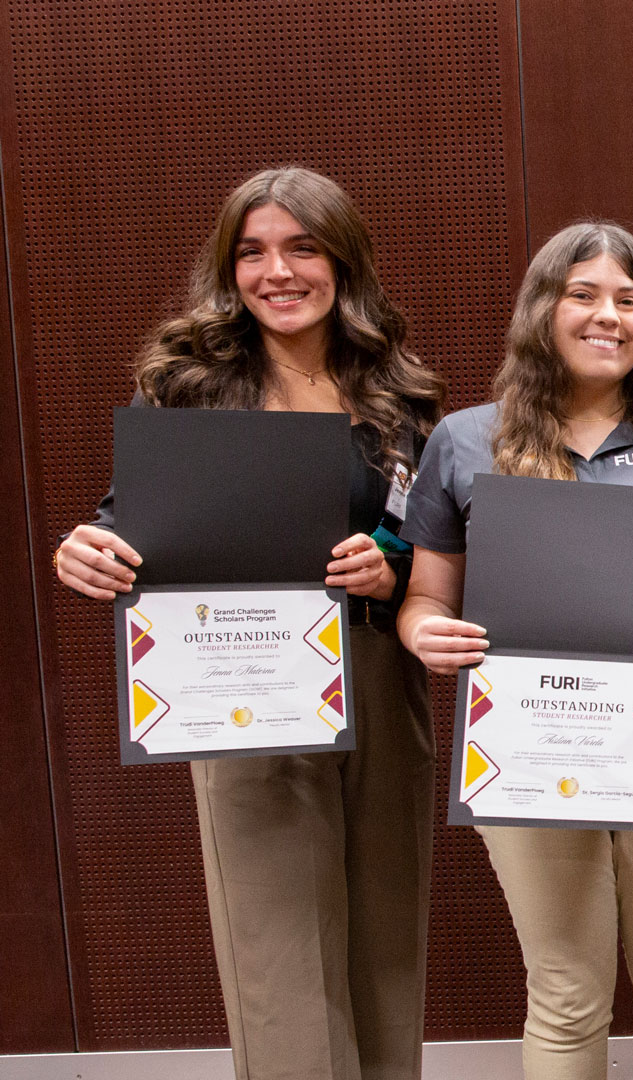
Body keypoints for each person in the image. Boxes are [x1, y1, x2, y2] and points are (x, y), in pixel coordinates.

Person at [53, 167, 446, 1080]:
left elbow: (430, 548)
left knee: (387, 937)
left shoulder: (399, 394)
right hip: (244, 695)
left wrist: (393, 572)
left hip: (380, 682)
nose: (279, 271)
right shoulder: (190, 387)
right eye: (253, 252)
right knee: (279, 952)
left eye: (302, 247)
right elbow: (131, 522)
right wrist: (92, 548)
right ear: (229, 270)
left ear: (342, 261)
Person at [396, 222, 633, 1080]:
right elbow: (425, 596)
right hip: (526, 744)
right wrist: (425, 634)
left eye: (628, 299)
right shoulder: (465, 441)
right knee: (567, 991)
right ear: (544, 309)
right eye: (583, 294)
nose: (607, 315)